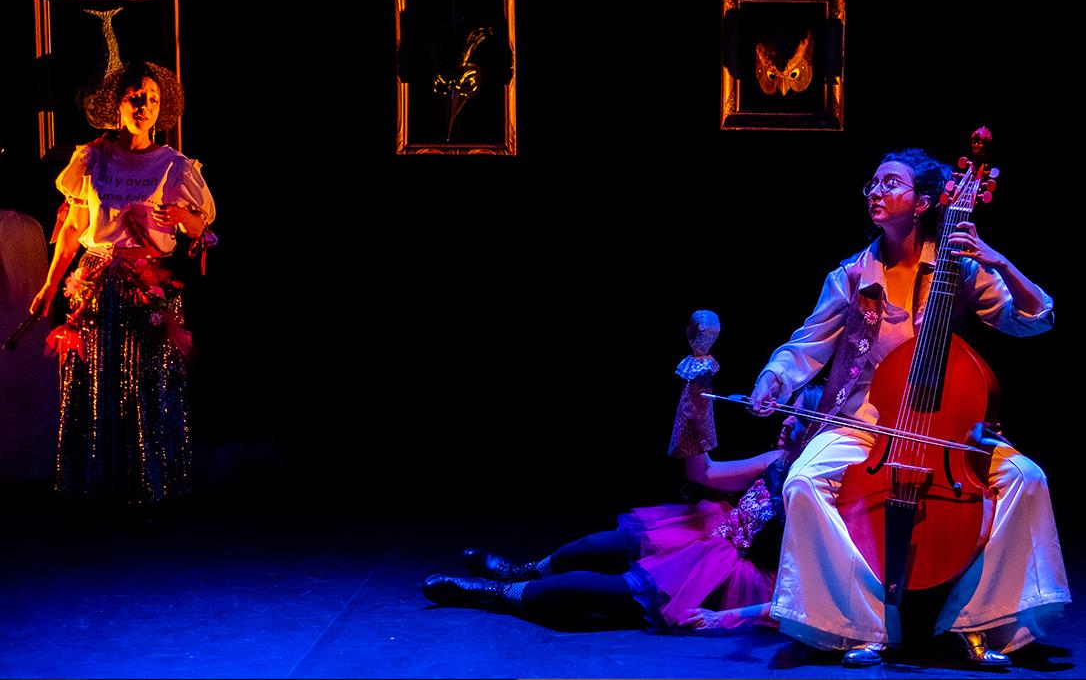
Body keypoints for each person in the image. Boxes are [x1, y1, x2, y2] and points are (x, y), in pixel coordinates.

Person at [748, 142, 1070, 666]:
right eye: (872, 184)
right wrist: (773, 378)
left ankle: (977, 621)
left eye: (890, 183)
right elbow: (806, 345)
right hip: (864, 422)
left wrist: (999, 262)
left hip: (946, 428)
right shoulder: (853, 275)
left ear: (922, 202)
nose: (876, 191)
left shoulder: (957, 268)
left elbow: (1031, 321)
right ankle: (861, 624)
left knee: (1026, 479)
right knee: (803, 482)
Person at [423, 311, 821, 634]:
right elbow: (703, 473)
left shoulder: (816, 484)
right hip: (707, 537)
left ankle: (491, 592)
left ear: (818, 432)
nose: (786, 421)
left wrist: (730, 617)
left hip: (725, 576)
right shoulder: (775, 459)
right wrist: (698, 393)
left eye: (800, 418)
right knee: (593, 546)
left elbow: (808, 588)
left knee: (590, 592)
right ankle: (520, 571)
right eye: (791, 413)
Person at [29, 60, 216, 511]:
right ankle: (95, 487)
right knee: (95, 386)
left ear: (160, 108)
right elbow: (73, 229)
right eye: (135, 96)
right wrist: (49, 287)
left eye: (152, 98)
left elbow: (202, 227)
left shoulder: (174, 166)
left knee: (146, 386)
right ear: (118, 103)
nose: (143, 105)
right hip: (96, 286)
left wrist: (183, 217)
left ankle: (149, 486)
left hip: (147, 287)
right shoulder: (92, 158)